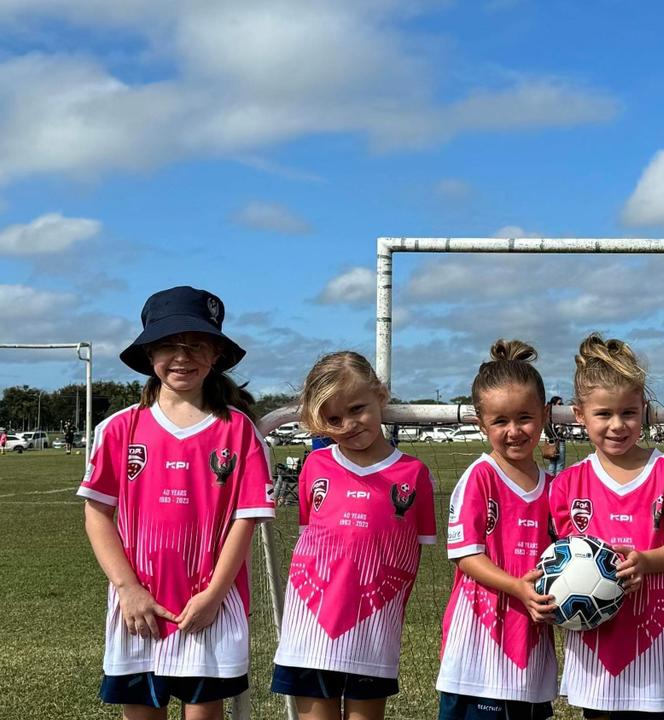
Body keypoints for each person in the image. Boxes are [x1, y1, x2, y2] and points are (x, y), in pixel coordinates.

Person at [78, 286, 275, 720]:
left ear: (216, 354)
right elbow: (97, 514)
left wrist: (214, 595)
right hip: (138, 611)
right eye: (169, 344)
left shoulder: (238, 431)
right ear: (149, 353)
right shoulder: (119, 429)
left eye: (196, 344)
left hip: (207, 608)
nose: (182, 356)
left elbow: (245, 521)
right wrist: (129, 590)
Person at [549, 333, 664, 718]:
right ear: (580, 415)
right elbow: (559, 559)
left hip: (661, 644)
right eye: (604, 414)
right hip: (598, 643)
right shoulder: (568, 483)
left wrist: (646, 562)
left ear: (645, 411)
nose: (617, 425)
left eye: (629, 413)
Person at [271, 351, 436, 720]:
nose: (348, 424)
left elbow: (412, 557)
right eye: (333, 418)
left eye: (357, 408)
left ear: (381, 395)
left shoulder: (414, 474)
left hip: (373, 630)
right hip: (309, 630)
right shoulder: (316, 465)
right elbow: (311, 539)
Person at [437, 340, 558, 720]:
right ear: (481, 424)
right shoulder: (479, 477)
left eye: (524, 417)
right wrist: (517, 587)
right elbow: (466, 557)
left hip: (531, 643)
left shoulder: (555, 487)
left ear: (544, 415)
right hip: (479, 647)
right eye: (500, 421)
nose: (514, 431)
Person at [542, 395, 567, 475]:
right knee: (557, 465)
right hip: (556, 442)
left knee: (556, 465)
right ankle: (554, 483)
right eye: (559, 404)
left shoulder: (557, 415)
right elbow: (547, 428)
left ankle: (553, 482)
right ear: (553, 404)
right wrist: (555, 436)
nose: (561, 405)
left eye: (562, 404)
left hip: (557, 441)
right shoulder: (549, 416)